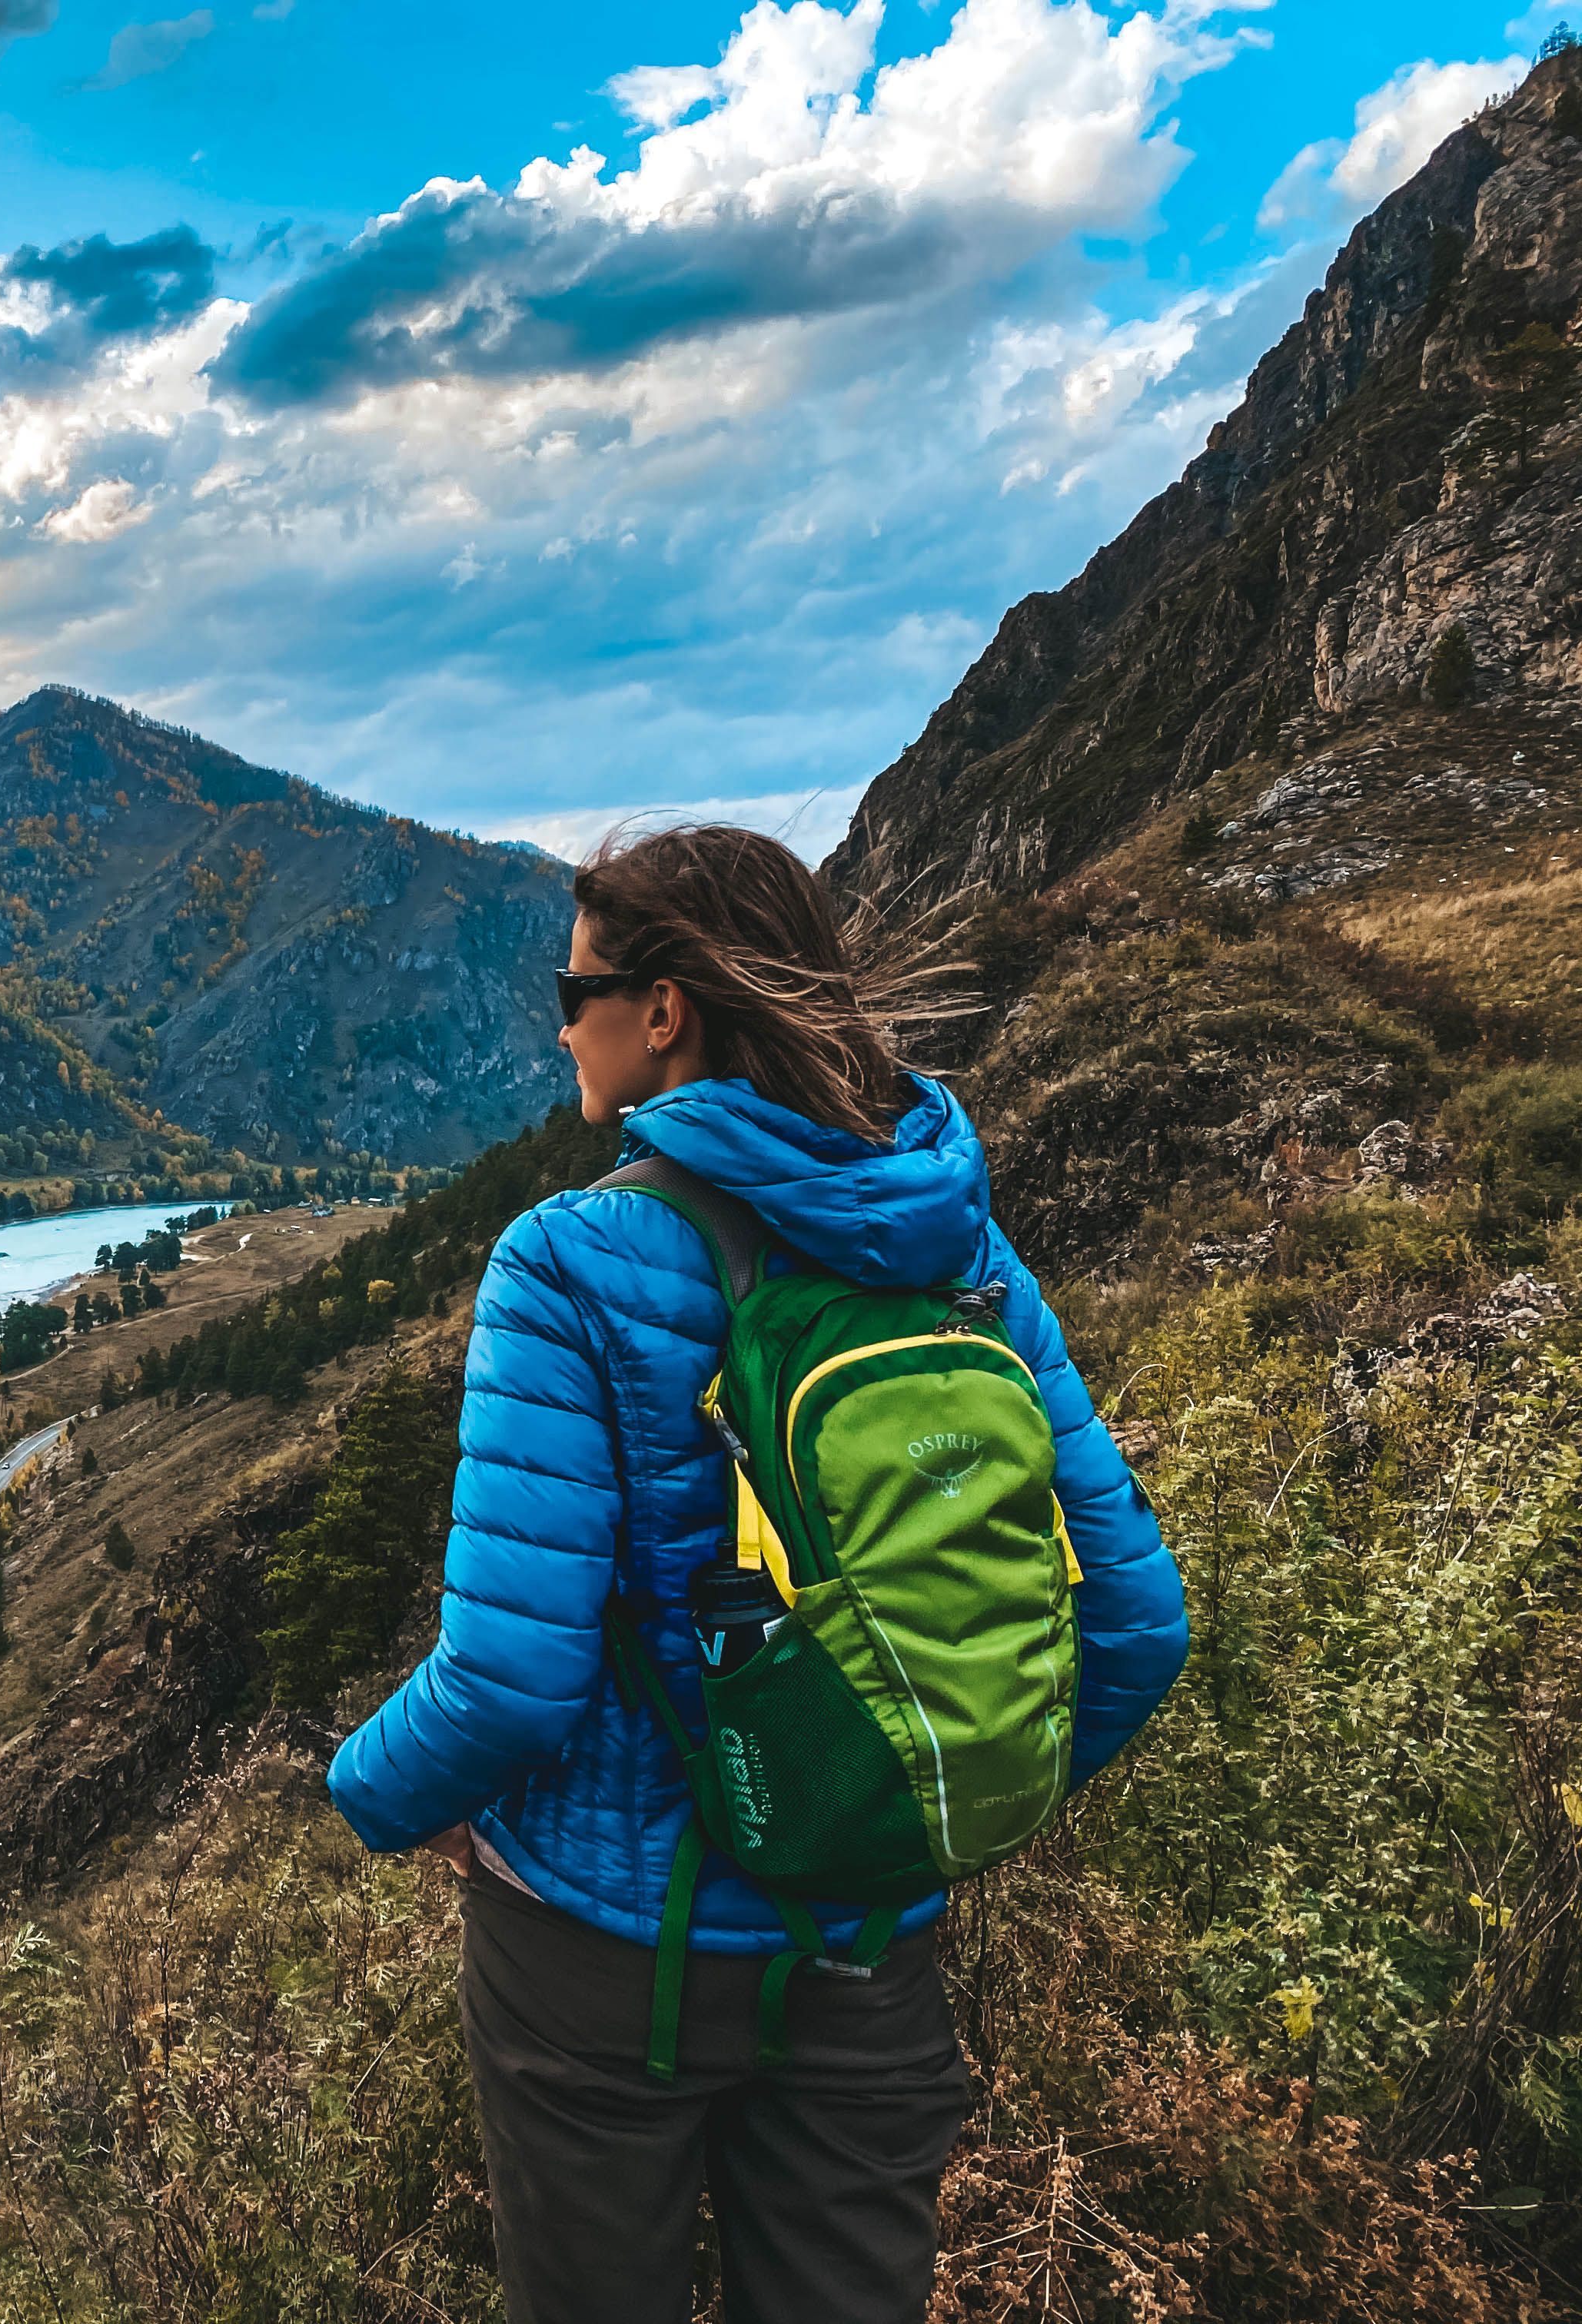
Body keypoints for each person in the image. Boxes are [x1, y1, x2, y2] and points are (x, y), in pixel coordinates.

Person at [325, 824, 1188, 2324]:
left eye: (573, 982)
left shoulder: (569, 1261)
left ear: (663, 1013)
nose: (557, 1017)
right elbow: (1136, 1624)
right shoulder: (962, 1256)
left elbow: (509, 1680)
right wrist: (925, 1800)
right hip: (869, 1949)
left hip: (604, 1963)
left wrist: (369, 1797)